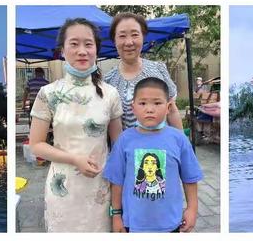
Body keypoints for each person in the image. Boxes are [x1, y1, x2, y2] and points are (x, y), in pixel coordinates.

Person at [29, 18, 123, 232]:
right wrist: (74, 159)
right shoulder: (49, 93)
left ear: (96, 50)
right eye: (74, 43)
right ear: (62, 50)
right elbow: (36, 145)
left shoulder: (110, 94)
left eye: (88, 44)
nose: (82, 51)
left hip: (100, 188)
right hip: (63, 189)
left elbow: (119, 144)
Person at [103, 77, 203, 233]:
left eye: (157, 103)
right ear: (133, 107)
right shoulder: (124, 140)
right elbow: (116, 181)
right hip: (133, 224)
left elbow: (190, 178)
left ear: (168, 107)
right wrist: (116, 215)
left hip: (171, 224)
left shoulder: (179, 139)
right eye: (143, 103)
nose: (149, 109)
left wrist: (192, 208)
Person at [104, 12, 183, 130]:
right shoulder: (108, 80)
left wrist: (183, 144)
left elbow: (172, 111)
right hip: (128, 147)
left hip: (162, 144)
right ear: (114, 41)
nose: (129, 42)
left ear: (143, 37)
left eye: (135, 35)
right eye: (122, 36)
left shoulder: (158, 70)